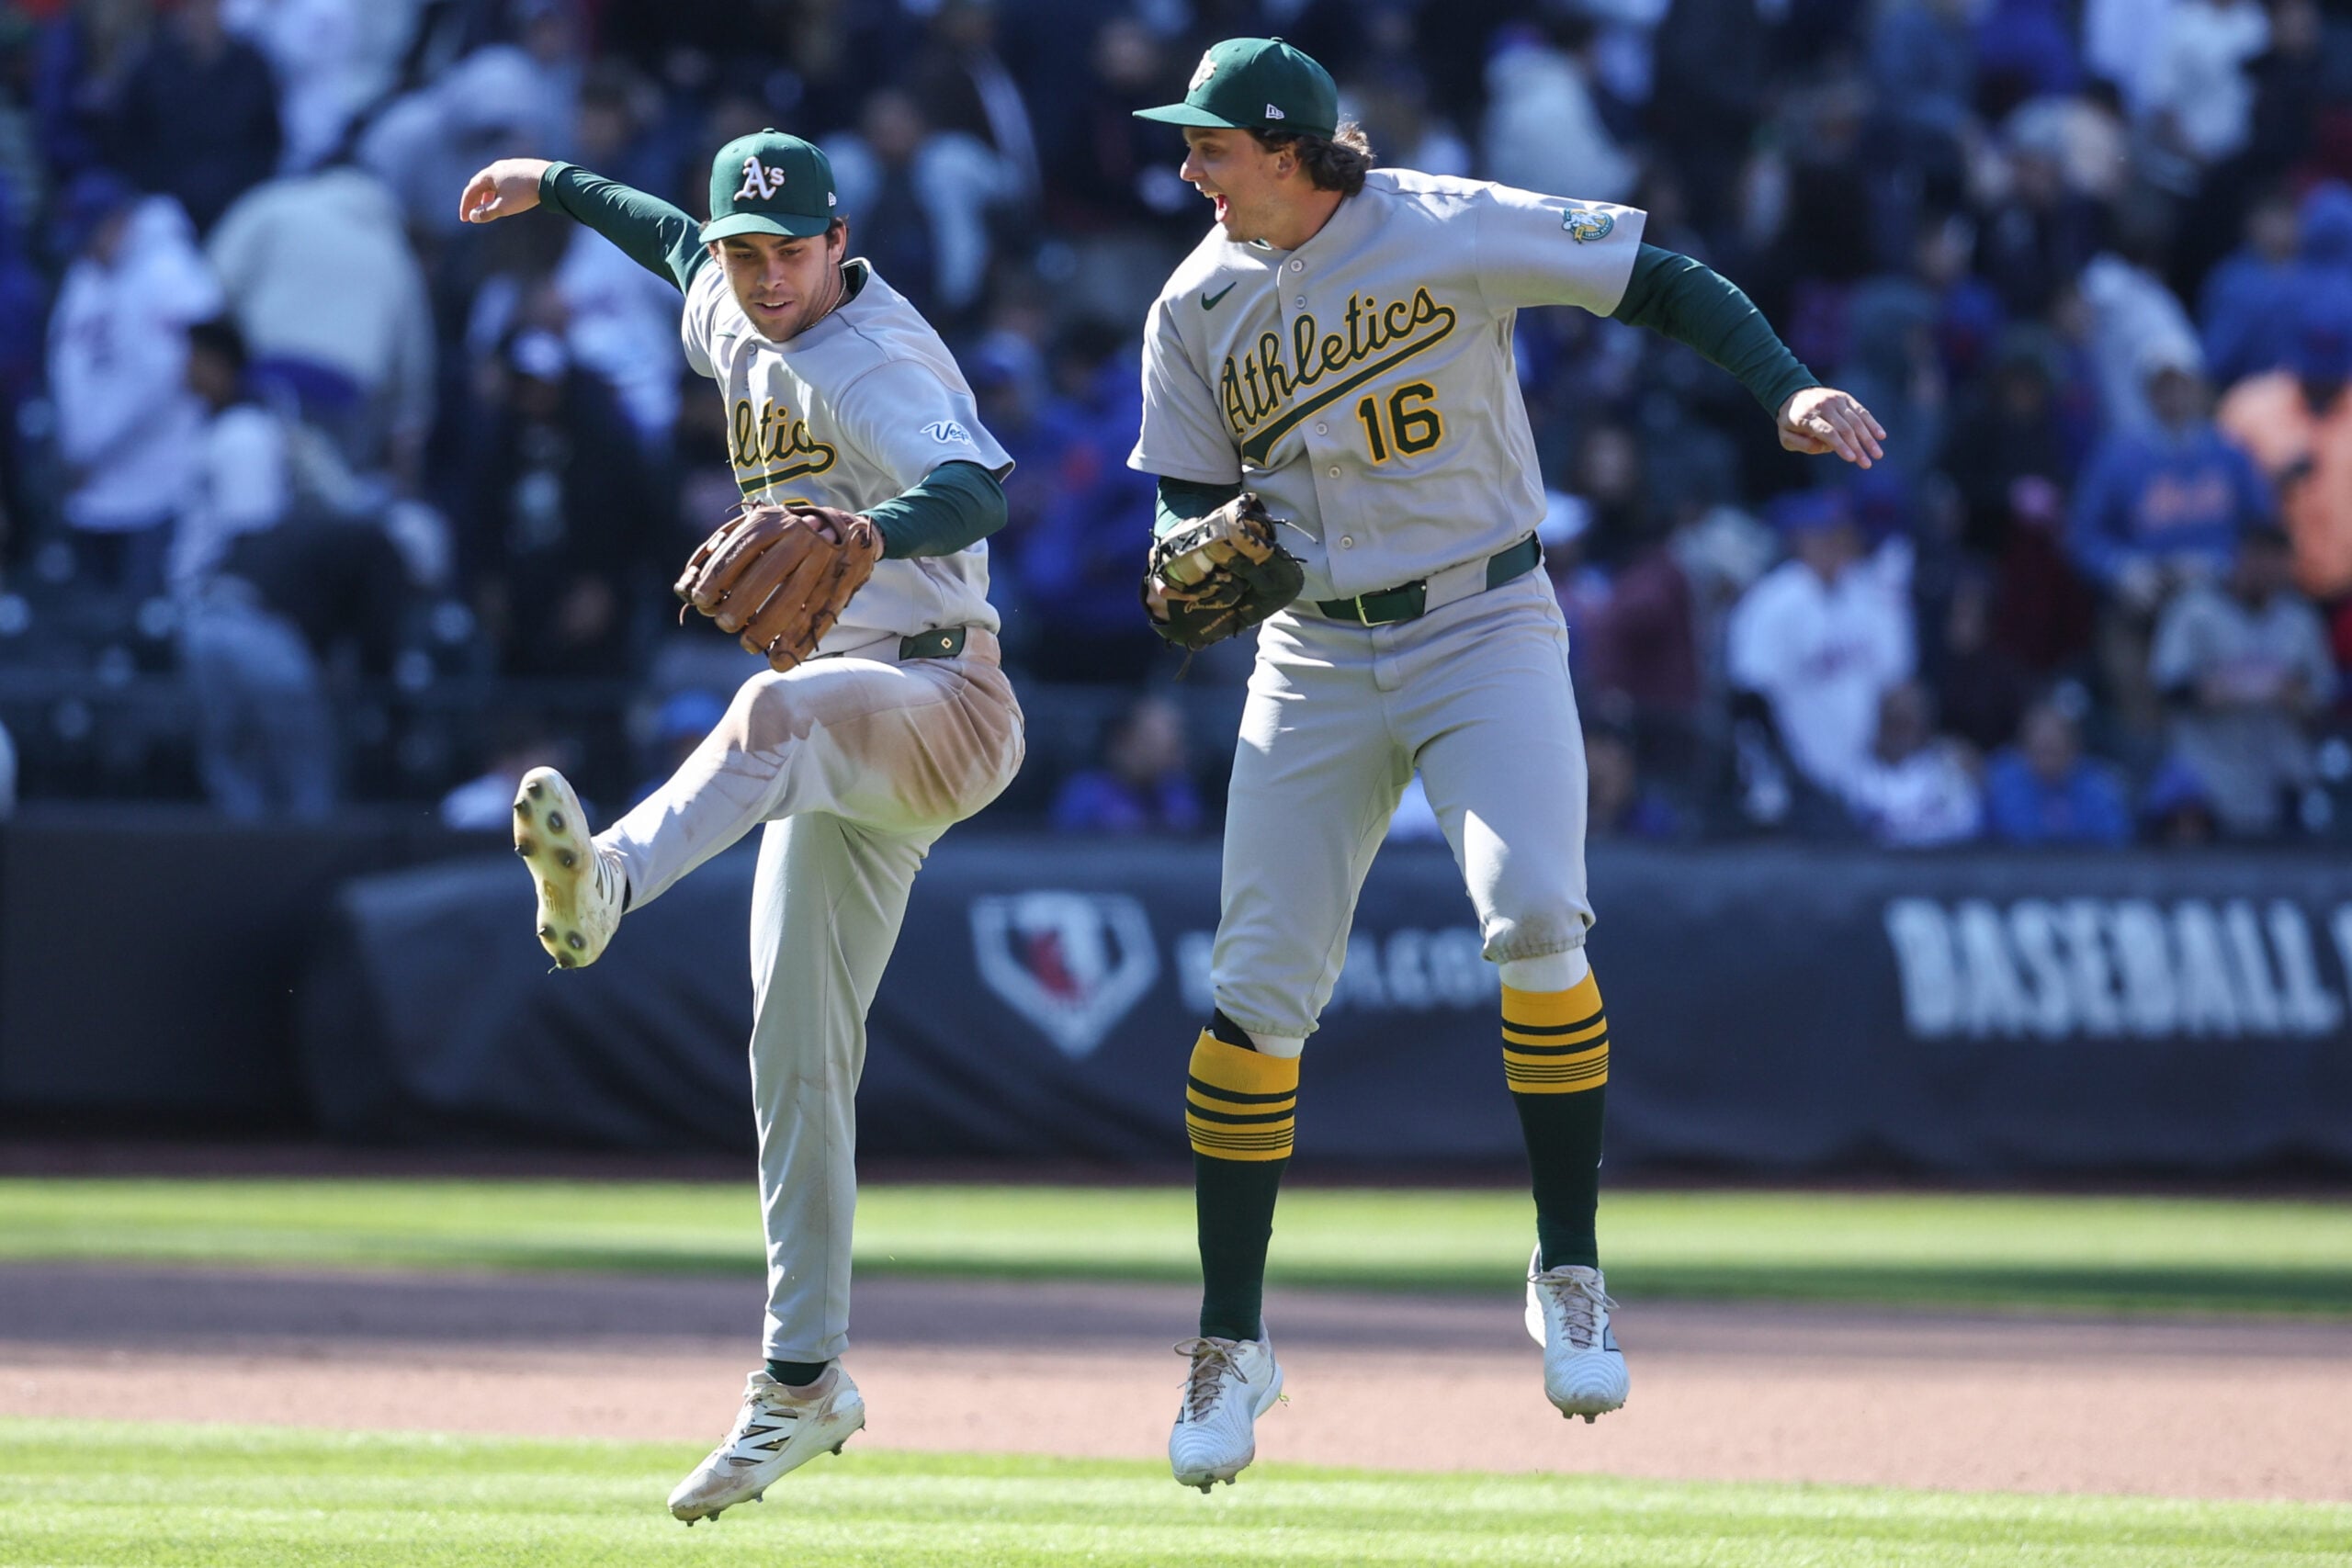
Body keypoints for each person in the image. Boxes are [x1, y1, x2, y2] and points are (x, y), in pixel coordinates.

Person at [1126, 38, 1884, 1492]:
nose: (1188, 169)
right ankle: (1232, 1341)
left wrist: (1779, 389)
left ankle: (1570, 1264)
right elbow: (1187, 496)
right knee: (1254, 994)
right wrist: (1177, 549)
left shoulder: (1444, 221)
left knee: (1536, 912)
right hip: (1314, 656)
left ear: (1288, 151)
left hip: (1484, 616)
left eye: (1211, 146)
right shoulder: (1194, 299)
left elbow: (1660, 274)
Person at [457, 129, 1024, 1524]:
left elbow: (980, 484)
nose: (765, 276)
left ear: (842, 243)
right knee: (794, 1049)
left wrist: (871, 535)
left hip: (945, 694)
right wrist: (555, 184)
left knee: (768, 714)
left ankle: (608, 888)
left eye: (790, 249)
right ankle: (803, 1378)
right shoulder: (727, 287)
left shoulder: (875, 354)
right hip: (855, 729)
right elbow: (665, 238)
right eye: (746, 250)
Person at [2149, 524, 2335, 837]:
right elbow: (2168, 685)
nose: (2266, 571)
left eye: (2276, 562)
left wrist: (2290, 693)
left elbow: (2321, 695)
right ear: (2241, 557)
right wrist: (2226, 687)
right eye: (2259, 558)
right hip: (2206, 782)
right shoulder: (2195, 610)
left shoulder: (2299, 619)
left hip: (2280, 779)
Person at [1984, 700, 2133, 845]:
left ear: (2074, 747)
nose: (2048, 757)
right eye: (2041, 749)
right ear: (2024, 746)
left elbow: (2117, 841)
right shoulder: (1999, 782)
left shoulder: (2099, 784)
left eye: (2054, 749)